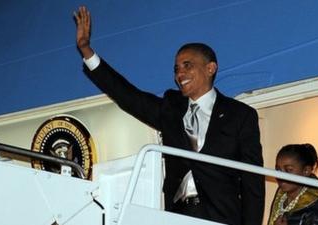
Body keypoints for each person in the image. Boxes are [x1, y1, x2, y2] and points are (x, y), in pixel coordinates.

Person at [74, 6, 265, 225]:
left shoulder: (240, 115)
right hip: (177, 215)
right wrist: (88, 52)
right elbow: (128, 96)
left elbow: (253, 180)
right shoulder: (171, 109)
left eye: (187, 65)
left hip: (221, 217)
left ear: (210, 68)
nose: (179, 74)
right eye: (176, 69)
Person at [268, 144, 318, 225]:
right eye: (278, 170)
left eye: (288, 170)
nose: (280, 175)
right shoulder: (281, 193)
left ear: (306, 171)